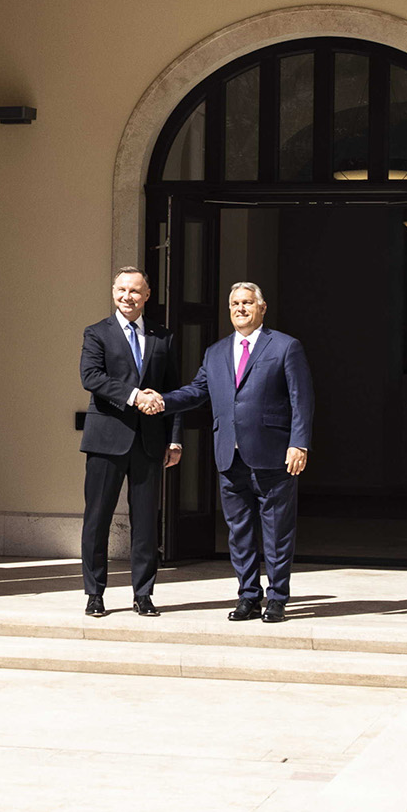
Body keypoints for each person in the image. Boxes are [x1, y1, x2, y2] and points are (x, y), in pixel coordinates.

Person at [143, 281, 312, 623]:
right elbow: (196, 391)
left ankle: (277, 598)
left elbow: (301, 398)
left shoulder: (285, 346)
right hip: (229, 456)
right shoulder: (216, 352)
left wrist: (299, 443)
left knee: (277, 533)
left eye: (247, 302)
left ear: (262, 307)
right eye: (235, 304)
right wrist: (161, 400)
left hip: (273, 455)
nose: (240, 309)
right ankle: (248, 596)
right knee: (239, 533)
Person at [79, 267, 180, 618]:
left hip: (149, 442)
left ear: (147, 295)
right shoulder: (97, 333)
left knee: (146, 523)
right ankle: (94, 594)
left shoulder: (162, 337)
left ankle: (144, 594)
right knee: (97, 520)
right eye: (122, 289)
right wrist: (135, 396)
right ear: (113, 292)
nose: (128, 296)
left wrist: (175, 440)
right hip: (106, 440)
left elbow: (173, 391)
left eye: (135, 291)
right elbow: (90, 377)